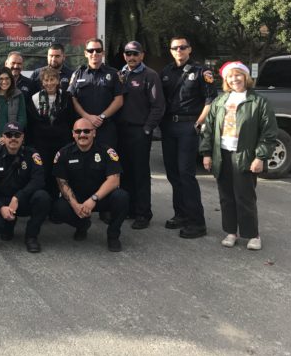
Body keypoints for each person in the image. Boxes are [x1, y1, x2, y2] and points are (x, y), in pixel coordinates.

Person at [200, 61, 277, 250]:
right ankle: (231, 232)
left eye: (238, 75)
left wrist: (260, 157)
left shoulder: (258, 102)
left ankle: (253, 235)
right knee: (226, 196)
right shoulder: (220, 101)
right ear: (226, 79)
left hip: (245, 156)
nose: (235, 79)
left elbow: (269, 132)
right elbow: (208, 130)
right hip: (222, 155)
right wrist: (207, 153)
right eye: (230, 76)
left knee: (245, 196)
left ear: (246, 77)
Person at [160, 36, 216, 239]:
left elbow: (210, 100)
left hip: (188, 126)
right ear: (171, 50)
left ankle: (197, 222)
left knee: (186, 174)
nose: (179, 50)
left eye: (182, 47)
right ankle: (181, 214)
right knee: (173, 173)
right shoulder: (166, 72)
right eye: (175, 47)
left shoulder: (202, 72)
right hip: (169, 126)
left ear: (189, 49)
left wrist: (198, 123)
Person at [52, 118, 129, 252]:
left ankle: (113, 235)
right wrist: (75, 205)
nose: (82, 135)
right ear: (73, 134)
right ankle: (82, 225)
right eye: (78, 131)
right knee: (58, 207)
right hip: (78, 199)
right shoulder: (64, 153)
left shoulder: (106, 151)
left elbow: (114, 180)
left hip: (100, 198)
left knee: (122, 197)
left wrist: (93, 199)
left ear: (94, 133)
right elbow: (61, 182)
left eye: (87, 131)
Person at [116, 41, 165, 229]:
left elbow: (158, 106)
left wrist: (147, 128)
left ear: (142, 55)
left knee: (141, 174)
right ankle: (129, 208)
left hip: (139, 131)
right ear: (124, 56)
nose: (132, 57)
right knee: (125, 172)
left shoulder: (150, 75)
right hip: (122, 131)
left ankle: (143, 213)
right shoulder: (120, 74)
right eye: (128, 53)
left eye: (135, 53)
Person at [0, 122, 51, 253]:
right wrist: (0, 207)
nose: (13, 138)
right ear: (3, 137)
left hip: (23, 200)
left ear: (23, 137)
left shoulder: (32, 155)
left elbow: (39, 180)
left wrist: (18, 197)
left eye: (17, 135)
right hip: (2, 201)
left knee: (43, 197)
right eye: (9, 135)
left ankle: (31, 236)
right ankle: (8, 225)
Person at [27, 67, 75, 199]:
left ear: (58, 81)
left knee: (60, 173)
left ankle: (57, 204)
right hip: (42, 144)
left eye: (52, 79)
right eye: (46, 80)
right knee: (44, 173)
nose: (49, 83)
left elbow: (70, 119)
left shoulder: (66, 97)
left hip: (62, 143)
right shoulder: (35, 98)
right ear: (42, 82)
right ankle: (44, 203)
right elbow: (33, 122)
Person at [68, 37, 124, 149]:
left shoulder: (113, 74)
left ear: (103, 53)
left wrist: (101, 117)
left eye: (98, 50)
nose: (94, 53)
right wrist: (87, 117)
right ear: (85, 53)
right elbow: (72, 98)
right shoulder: (77, 74)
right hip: (83, 130)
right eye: (90, 50)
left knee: (108, 161)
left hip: (106, 127)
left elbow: (119, 100)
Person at [0, 67, 27, 150]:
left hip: (13, 142)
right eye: (1, 79)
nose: (4, 82)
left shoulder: (18, 94)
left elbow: (22, 118)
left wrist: (11, 136)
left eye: (7, 78)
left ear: (11, 79)